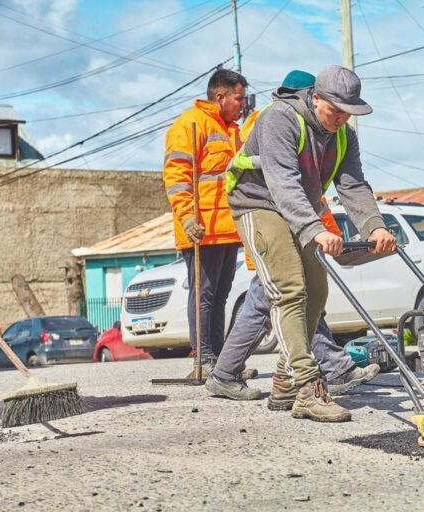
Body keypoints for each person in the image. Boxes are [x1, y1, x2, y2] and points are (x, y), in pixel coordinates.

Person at [224, 65, 396, 422]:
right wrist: (315, 229)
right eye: (335, 109)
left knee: (317, 293)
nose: (341, 118)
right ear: (315, 97)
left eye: (348, 111)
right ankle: (306, 388)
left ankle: (285, 379)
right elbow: (282, 183)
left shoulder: (344, 134)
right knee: (289, 290)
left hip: (301, 208)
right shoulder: (279, 118)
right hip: (258, 202)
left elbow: (353, 185)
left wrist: (375, 227)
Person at [162, 68, 247, 377]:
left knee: (220, 294)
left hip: (226, 227)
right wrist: (186, 218)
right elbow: (176, 174)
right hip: (202, 228)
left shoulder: (231, 130)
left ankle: (221, 360)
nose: (243, 104)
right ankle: (204, 358)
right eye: (239, 98)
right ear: (220, 96)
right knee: (204, 295)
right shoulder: (190, 124)